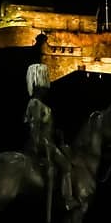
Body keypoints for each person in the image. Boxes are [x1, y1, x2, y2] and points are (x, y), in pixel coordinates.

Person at [25, 63, 78, 211]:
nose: (46, 89)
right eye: (43, 86)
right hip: (43, 143)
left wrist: (56, 133)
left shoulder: (40, 103)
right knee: (66, 166)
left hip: (48, 140)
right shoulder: (35, 103)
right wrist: (39, 145)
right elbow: (34, 126)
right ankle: (68, 199)